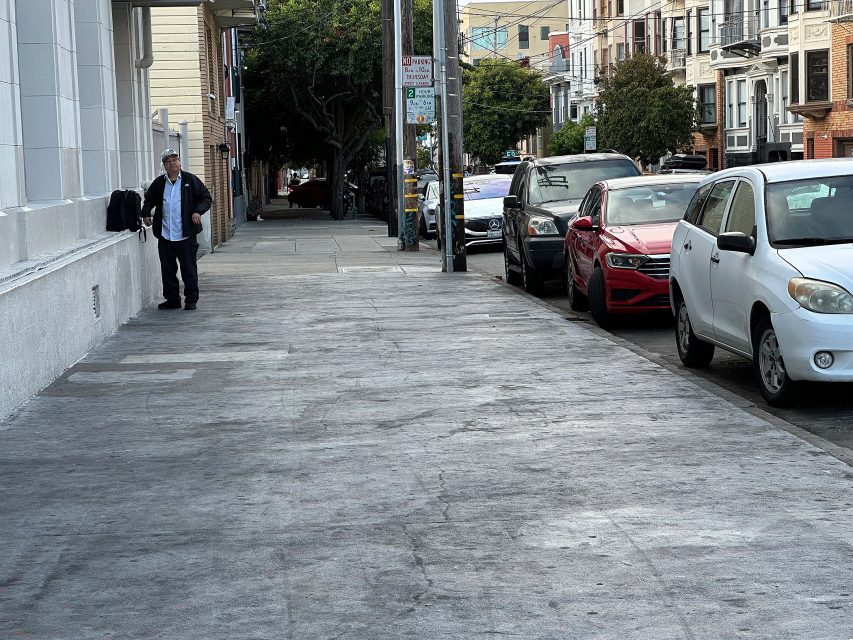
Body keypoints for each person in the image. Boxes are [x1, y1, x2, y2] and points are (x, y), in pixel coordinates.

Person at [142, 149, 212, 311]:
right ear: (164, 165)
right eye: (168, 161)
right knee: (168, 270)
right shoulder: (159, 183)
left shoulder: (190, 180)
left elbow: (206, 198)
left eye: (175, 159)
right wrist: (146, 213)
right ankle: (172, 299)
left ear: (180, 162)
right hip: (166, 234)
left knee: (188, 269)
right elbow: (149, 199)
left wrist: (197, 211)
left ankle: (191, 300)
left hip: (185, 235)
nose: (172, 162)